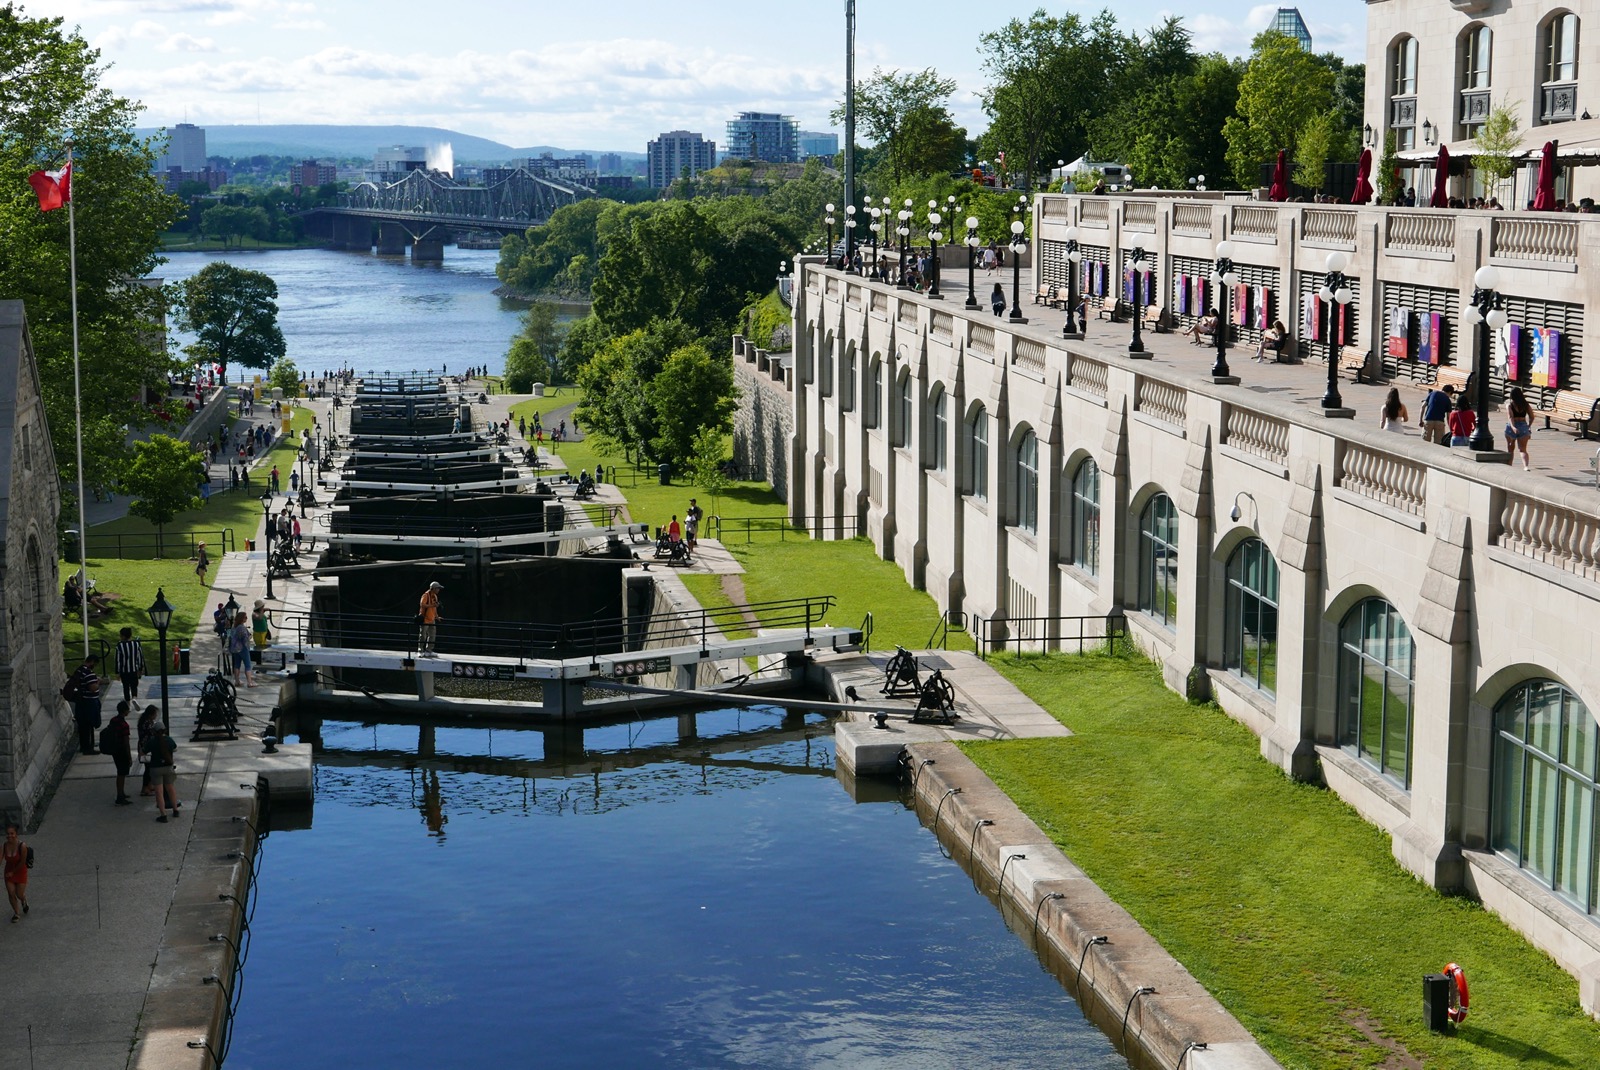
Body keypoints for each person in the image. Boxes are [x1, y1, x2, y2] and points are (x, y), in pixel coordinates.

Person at [66, 654, 103, 755]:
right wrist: (98, 682)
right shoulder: (88, 673)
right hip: (89, 702)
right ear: (92, 662)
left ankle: (84, 746)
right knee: (89, 725)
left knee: (82, 725)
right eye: (94, 664)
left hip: (81, 702)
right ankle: (88, 748)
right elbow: (92, 688)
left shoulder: (80, 670)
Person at [147, 723, 178, 823]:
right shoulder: (169, 740)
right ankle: (175, 809)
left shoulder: (152, 741)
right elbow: (175, 748)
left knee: (159, 792)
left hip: (156, 768)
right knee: (170, 788)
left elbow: (143, 751)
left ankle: (163, 815)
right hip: (168, 767)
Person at [105, 701, 134, 805]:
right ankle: (120, 796)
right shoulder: (124, 725)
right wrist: (129, 756)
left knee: (120, 772)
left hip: (114, 749)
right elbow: (126, 742)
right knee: (121, 773)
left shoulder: (113, 720)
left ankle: (121, 793)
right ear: (125, 711)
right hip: (122, 751)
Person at [3, 824, 28, 921]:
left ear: (16, 834)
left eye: (12, 833)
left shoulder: (22, 846)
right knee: (11, 893)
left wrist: (13, 872)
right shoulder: (4, 845)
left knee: (19, 894)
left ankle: (23, 899)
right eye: (8, 834)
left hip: (20, 871)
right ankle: (16, 913)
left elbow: (22, 862)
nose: (9, 836)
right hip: (8, 872)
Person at [114, 626, 145, 703]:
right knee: (134, 685)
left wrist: (117, 672)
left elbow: (118, 660)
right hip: (134, 669)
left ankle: (127, 702)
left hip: (124, 671)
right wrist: (140, 668)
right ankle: (134, 697)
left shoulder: (119, 645)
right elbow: (140, 657)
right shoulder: (136, 644)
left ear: (123, 636)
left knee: (126, 686)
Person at [1505, 386, 1533, 469]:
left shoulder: (1509, 405)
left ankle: (1509, 466)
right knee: (1523, 449)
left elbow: (1510, 417)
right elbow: (1532, 417)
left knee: (1510, 449)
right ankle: (1526, 466)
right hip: (1523, 426)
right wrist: (1528, 426)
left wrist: (1513, 427)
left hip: (1512, 426)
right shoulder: (1526, 404)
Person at [137, 705, 160, 797]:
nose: (156, 716)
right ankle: (144, 788)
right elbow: (153, 733)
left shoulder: (146, 721)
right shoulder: (147, 724)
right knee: (148, 769)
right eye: (155, 714)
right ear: (151, 714)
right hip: (146, 750)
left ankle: (149, 785)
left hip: (145, 748)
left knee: (149, 768)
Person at [229, 611, 254, 688]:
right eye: (245, 617)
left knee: (237, 665)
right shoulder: (242, 628)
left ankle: (237, 681)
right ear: (241, 619)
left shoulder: (234, 627)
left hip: (235, 649)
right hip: (243, 648)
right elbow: (245, 639)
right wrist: (250, 637)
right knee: (248, 665)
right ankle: (249, 682)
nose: (246, 618)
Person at [418, 581, 442, 655]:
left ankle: (429, 650)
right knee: (423, 635)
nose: (439, 590)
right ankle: (420, 650)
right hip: (425, 618)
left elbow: (434, 608)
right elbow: (422, 604)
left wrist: (437, 617)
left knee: (432, 635)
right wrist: (432, 605)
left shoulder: (435, 596)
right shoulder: (425, 595)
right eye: (438, 588)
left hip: (432, 619)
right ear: (433, 588)